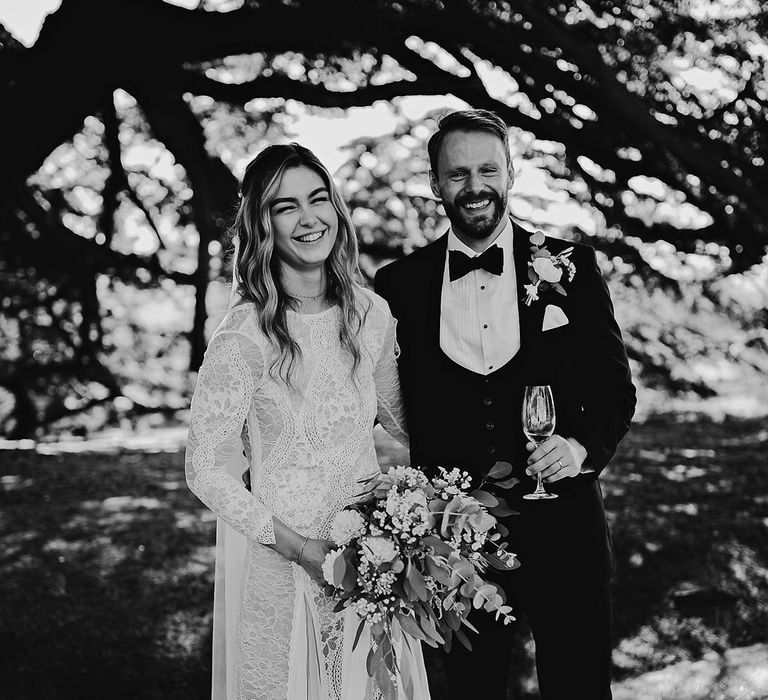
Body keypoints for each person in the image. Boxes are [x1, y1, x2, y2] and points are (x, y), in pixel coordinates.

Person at [375, 109, 636, 699]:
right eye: (458, 174)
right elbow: (360, 393)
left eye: (488, 169)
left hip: (566, 529)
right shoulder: (398, 287)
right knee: (472, 689)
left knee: (579, 685)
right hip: (455, 540)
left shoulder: (570, 268)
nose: (475, 187)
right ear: (436, 185)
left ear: (511, 172)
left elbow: (615, 392)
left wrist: (578, 447)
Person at [185, 143, 430, 700]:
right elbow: (205, 468)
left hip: (370, 565)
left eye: (317, 199)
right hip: (284, 565)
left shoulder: (372, 316)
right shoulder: (243, 337)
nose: (308, 217)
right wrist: (299, 548)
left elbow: (405, 421)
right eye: (285, 206)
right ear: (262, 224)